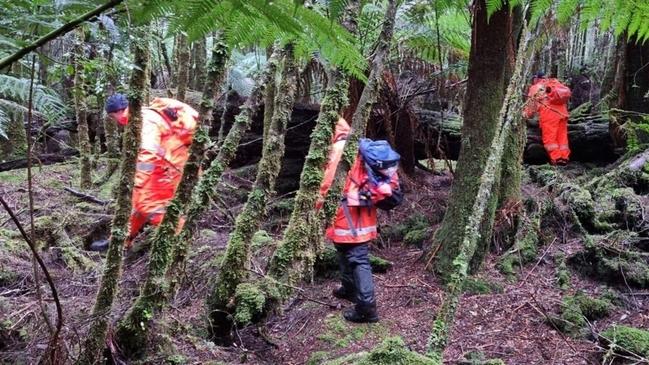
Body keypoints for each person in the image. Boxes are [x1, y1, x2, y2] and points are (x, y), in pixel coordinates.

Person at [97, 93, 198, 250]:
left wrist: (139, 181)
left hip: (169, 168)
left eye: (112, 116)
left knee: (150, 206)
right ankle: (119, 241)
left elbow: (148, 152)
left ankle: (182, 239)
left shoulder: (146, 120)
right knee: (137, 203)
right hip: (163, 166)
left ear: (116, 112)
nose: (114, 121)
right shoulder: (139, 118)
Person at [324, 138, 401, 323]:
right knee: (343, 251)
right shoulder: (362, 148)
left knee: (358, 258)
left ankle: (367, 308)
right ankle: (349, 289)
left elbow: (326, 184)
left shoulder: (338, 151)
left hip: (348, 217)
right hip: (362, 215)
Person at [523, 71, 572, 166]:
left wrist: (525, 115)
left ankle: (557, 158)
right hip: (562, 113)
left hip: (549, 115)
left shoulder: (536, 87)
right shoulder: (554, 83)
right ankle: (564, 157)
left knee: (550, 139)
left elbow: (531, 106)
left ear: (536, 78)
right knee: (562, 138)